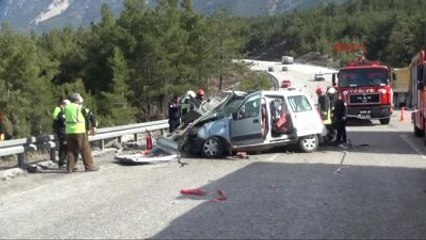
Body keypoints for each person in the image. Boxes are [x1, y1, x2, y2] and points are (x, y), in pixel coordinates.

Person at [64, 93, 99, 173]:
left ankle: (70, 168)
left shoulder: (67, 107)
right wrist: (93, 126)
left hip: (69, 131)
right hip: (79, 130)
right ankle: (89, 166)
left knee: (71, 150)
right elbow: (90, 116)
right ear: (78, 100)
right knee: (85, 149)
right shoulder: (80, 108)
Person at [52, 97, 70, 169]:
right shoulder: (58, 109)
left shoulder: (66, 110)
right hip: (61, 130)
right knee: (63, 146)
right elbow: (58, 118)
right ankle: (62, 162)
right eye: (67, 105)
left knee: (65, 146)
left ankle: (65, 161)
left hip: (66, 130)